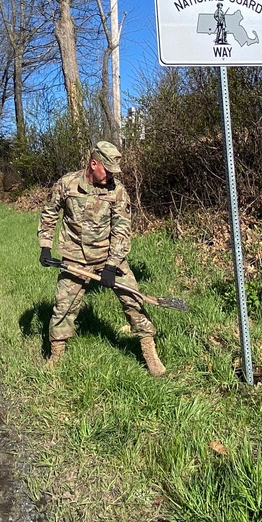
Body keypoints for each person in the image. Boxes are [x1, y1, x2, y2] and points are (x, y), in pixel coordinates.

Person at [38, 141, 166, 376]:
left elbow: (122, 230)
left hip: (109, 257)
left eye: (113, 172)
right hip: (75, 257)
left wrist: (111, 266)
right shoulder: (67, 184)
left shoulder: (117, 191)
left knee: (133, 300)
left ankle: (150, 353)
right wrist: (45, 246)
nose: (110, 176)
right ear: (93, 163)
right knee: (63, 307)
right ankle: (55, 357)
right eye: (106, 170)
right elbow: (49, 213)